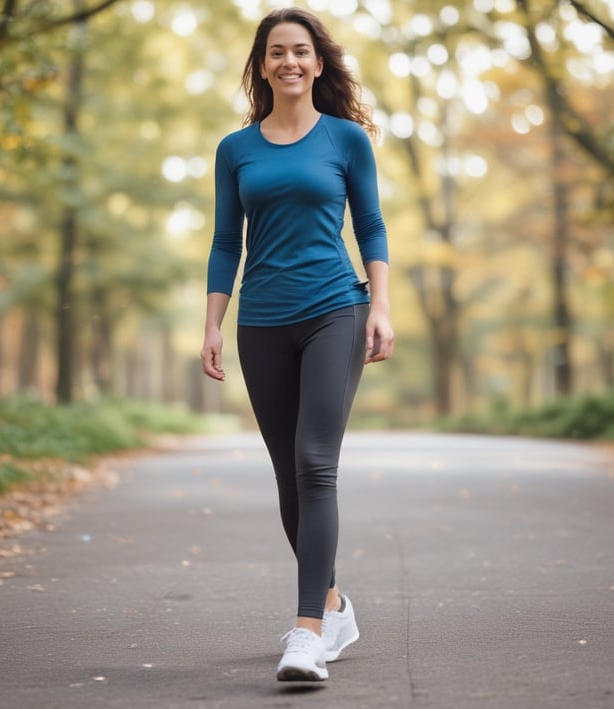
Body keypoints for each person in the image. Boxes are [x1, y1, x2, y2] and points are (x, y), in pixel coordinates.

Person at [200, 7, 394, 683]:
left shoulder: (345, 140)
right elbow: (228, 242)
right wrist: (212, 323)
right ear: (262, 65)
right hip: (263, 321)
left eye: (301, 51)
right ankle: (335, 601)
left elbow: (370, 224)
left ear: (318, 63)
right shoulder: (236, 149)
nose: (289, 61)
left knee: (316, 463)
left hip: (334, 311)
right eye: (276, 51)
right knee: (289, 473)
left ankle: (307, 630)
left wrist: (381, 305)